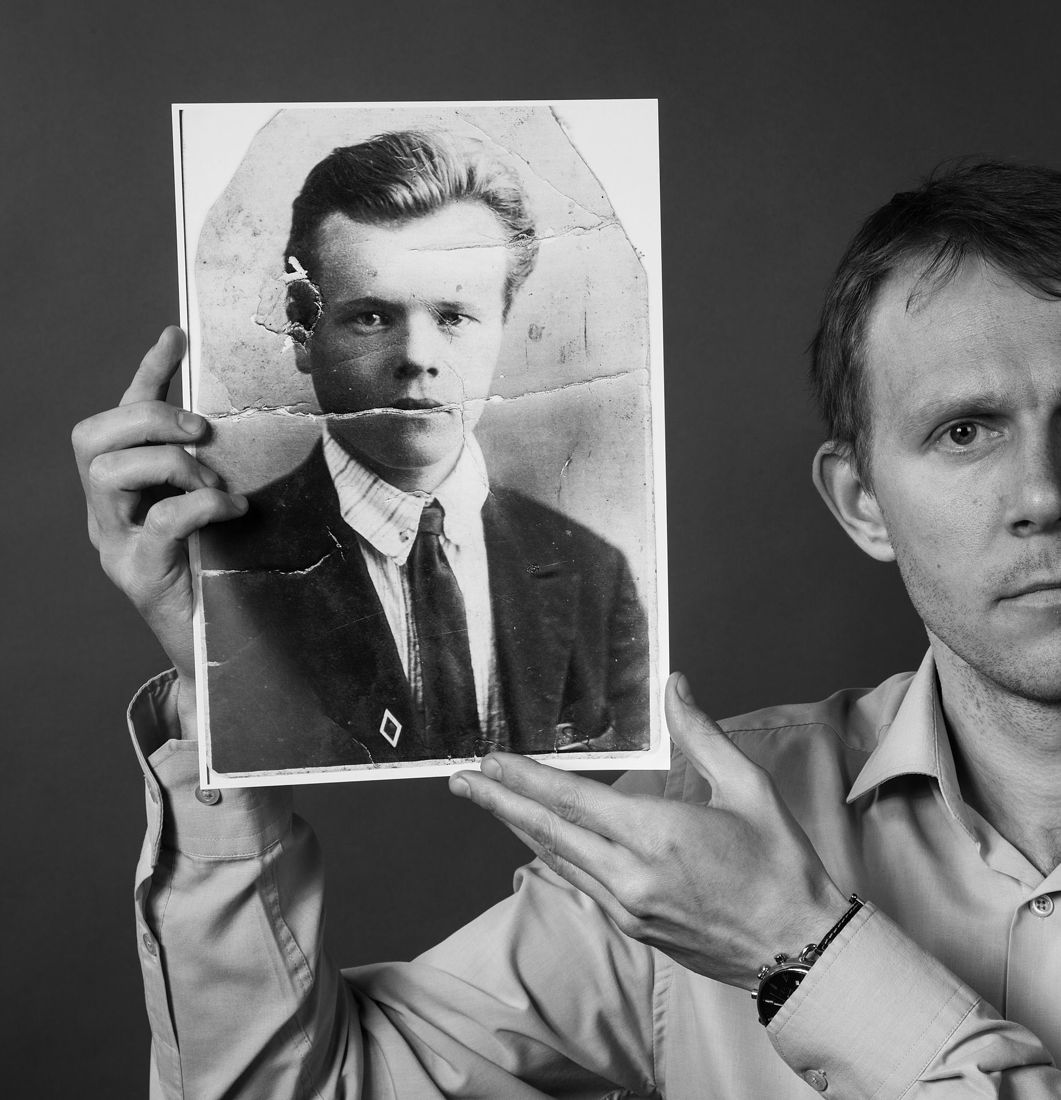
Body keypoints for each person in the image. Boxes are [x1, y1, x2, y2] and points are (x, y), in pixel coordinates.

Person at [72, 158, 1061, 1097]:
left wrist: (801, 952)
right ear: (861, 503)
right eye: (963, 431)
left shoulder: (730, 875)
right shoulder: (704, 836)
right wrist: (231, 674)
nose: (1040, 495)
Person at [194, 130, 650, 772]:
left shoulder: (594, 573)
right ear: (302, 333)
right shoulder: (220, 571)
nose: (418, 358)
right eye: (371, 317)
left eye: (454, 316)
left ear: (501, 327)